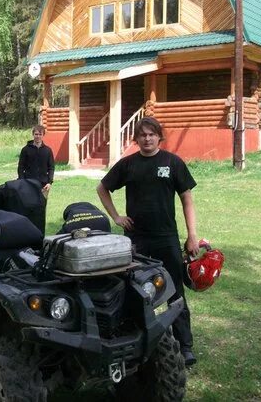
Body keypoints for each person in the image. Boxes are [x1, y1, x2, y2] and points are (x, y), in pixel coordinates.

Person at [96, 117, 199, 366]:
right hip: (136, 241)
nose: (147, 139)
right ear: (136, 139)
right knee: (136, 293)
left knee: (175, 292)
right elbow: (102, 188)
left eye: (152, 134)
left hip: (166, 239)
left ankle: (184, 346)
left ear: (159, 137)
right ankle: (139, 342)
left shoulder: (172, 163)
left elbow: (187, 199)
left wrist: (192, 235)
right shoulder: (128, 165)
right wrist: (116, 216)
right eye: (142, 135)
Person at [17, 125, 55, 197]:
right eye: (36, 134)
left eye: (40, 134)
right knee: (28, 204)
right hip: (28, 183)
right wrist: (22, 181)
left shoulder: (47, 150)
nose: (38, 136)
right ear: (33, 134)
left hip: (44, 184)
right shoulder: (25, 150)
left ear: (43, 135)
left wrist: (49, 182)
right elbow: (21, 167)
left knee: (41, 206)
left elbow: (51, 167)